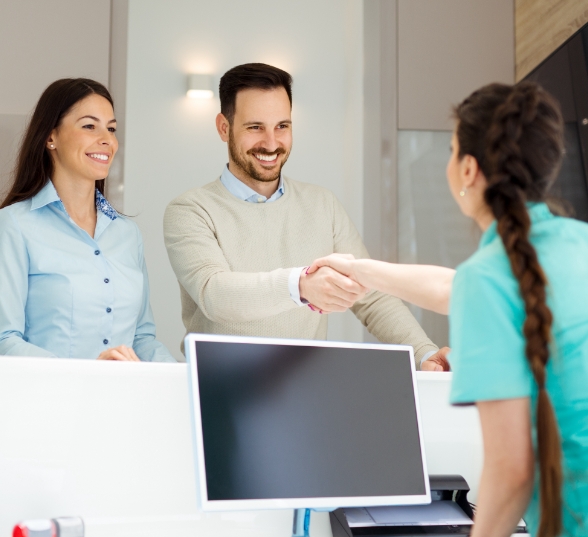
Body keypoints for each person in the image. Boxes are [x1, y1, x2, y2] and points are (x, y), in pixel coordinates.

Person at [309, 81, 588, 537]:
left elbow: (511, 465)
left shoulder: (492, 278)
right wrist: (361, 268)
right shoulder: (574, 245)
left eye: (453, 148)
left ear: (467, 169)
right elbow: (451, 287)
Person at [163, 63, 448, 370]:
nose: (271, 144)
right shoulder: (190, 210)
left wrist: (423, 352)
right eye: (255, 127)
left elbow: (371, 296)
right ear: (223, 127)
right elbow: (215, 294)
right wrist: (300, 285)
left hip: (305, 389)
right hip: (218, 389)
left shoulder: (323, 205)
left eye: (282, 126)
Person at [0, 78, 175, 362]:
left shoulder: (127, 234)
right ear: (50, 137)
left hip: (121, 401)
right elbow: (5, 340)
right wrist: (86, 375)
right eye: (89, 126)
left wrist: (180, 377)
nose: (107, 139)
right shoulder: (14, 225)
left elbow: (141, 338)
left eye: (112, 128)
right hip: (45, 402)